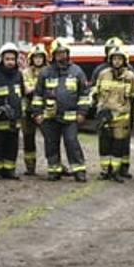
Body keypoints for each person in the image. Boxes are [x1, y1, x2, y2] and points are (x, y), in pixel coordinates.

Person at [34, 40, 91, 181]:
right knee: (51, 144)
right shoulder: (45, 73)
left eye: (63, 53)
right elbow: (38, 95)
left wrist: (82, 112)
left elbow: (84, 94)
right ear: (53, 55)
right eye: (58, 53)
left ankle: (79, 170)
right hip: (50, 117)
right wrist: (37, 113)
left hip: (70, 118)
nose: (61, 56)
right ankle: (54, 169)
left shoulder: (77, 71)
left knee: (71, 142)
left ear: (68, 54)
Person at [91, 39, 134, 181]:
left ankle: (116, 172)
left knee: (119, 144)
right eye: (114, 59)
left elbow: (133, 96)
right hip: (105, 115)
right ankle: (105, 171)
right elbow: (96, 91)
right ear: (110, 60)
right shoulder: (103, 73)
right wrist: (97, 107)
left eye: (119, 59)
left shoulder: (130, 76)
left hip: (121, 116)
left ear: (124, 60)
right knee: (104, 144)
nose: (117, 61)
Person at [0, 43, 25, 179]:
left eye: (12, 59)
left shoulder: (18, 75)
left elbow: (21, 94)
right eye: (7, 59)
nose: (10, 62)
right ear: (1, 59)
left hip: (14, 119)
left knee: (12, 145)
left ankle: (9, 169)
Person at [19, 45, 47, 176]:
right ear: (31, 59)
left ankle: (54, 164)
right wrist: (40, 89)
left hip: (44, 111)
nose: (38, 59)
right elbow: (26, 91)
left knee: (50, 138)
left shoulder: (48, 72)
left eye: (41, 57)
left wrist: (35, 89)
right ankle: (30, 167)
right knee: (28, 139)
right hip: (28, 111)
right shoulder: (25, 73)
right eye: (36, 57)